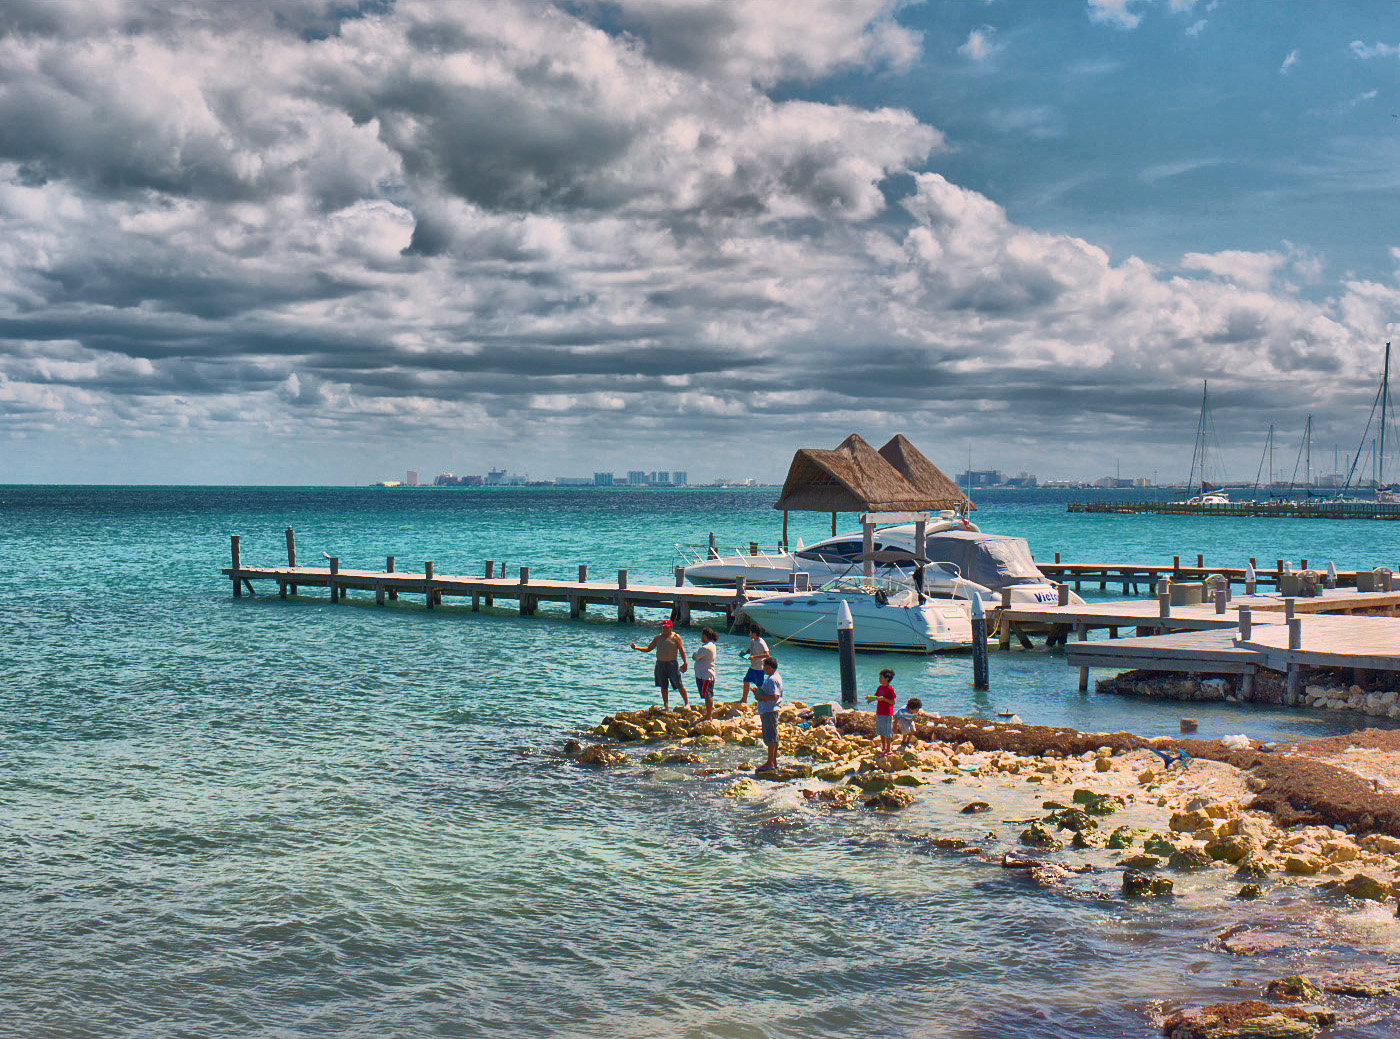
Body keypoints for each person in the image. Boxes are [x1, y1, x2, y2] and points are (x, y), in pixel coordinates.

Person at [630, 619, 689, 709]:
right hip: (660, 664)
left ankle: (687, 703)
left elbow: (682, 650)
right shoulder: (658, 637)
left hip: (672, 664)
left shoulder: (676, 637)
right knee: (663, 685)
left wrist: (685, 662)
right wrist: (637, 648)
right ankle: (666, 705)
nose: (665, 629)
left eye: (667, 627)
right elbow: (649, 648)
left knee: (679, 684)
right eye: (664, 627)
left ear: (671, 627)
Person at [754, 655, 783, 772]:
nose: (763, 669)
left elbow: (774, 696)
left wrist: (760, 696)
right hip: (771, 709)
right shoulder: (775, 677)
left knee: (770, 737)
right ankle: (773, 761)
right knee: (774, 736)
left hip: (769, 710)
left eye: (765, 667)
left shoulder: (772, 679)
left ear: (770, 667)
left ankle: (770, 762)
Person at [866, 668, 897, 756]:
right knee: (881, 731)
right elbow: (876, 696)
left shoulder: (890, 689)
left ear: (887, 679)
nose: (879, 679)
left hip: (887, 713)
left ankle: (889, 749)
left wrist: (884, 699)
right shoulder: (880, 687)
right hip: (879, 712)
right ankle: (884, 748)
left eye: (881, 677)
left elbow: (893, 702)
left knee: (887, 731)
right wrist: (871, 699)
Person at [693, 627, 719, 720]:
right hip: (705, 674)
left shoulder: (705, 647)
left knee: (707, 695)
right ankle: (708, 714)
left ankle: (709, 715)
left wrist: (694, 655)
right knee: (707, 694)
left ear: (705, 636)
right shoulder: (711, 645)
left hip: (705, 674)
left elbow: (695, 656)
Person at [741, 624, 769, 705]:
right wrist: (744, 654)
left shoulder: (761, 642)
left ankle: (763, 702)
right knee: (746, 680)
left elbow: (767, 655)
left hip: (759, 668)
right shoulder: (752, 641)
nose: (749, 633)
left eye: (750, 632)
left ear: (754, 633)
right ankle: (744, 699)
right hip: (753, 667)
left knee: (759, 686)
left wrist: (754, 657)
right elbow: (748, 651)